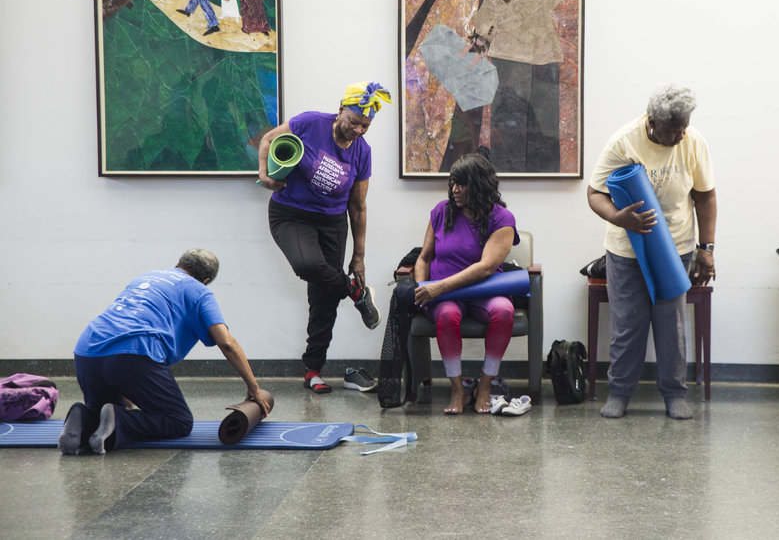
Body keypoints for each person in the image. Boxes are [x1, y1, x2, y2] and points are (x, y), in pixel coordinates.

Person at [59, 249, 271, 455]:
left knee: (101, 414)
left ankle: (84, 417)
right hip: (133, 353)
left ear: (179, 264)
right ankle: (118, 419)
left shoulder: (146, 277)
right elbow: (226, 342)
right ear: (205, 279)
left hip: (87, 351)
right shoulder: (200, 290)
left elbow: (120, 328)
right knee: (179, 421)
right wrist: (254, 387)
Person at [587, 84, 717, 420]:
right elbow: (594, 193)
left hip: (676, 248)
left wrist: (707, 249)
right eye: (673, 131)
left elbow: (705, 196)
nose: (680, 136)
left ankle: (674, 393)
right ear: (652, 122)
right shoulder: (624, 141)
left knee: (670, 325)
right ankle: (619, 393)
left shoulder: (693, 142)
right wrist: (618, 217)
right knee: (628, 324)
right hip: (625, 250)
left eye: (684, 128)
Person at [258, 81, 392, 395]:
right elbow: (267, 139)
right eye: (354, 121)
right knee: (307, 265)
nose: (358, 130)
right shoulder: (309, 123)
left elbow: (358, 207)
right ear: (341, 109)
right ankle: (357, 293)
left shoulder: (362, 153)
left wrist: (358, 256)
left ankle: (313, 370)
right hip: (290, 213)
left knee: (324, 299)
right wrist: (265, 175)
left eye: (366, 126)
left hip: (332, 223)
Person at [413, 151, 518, 414]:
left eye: (461, 184)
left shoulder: (502, 219)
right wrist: (421, 287)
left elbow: (485, 268)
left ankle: (485, 385)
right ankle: (457, 389)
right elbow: (423, 257)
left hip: (484, 290)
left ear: (480, 185)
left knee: (504, 311)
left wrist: (439, 286)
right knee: (447, 314)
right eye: (452, 183)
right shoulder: (441, 212)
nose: (454, 189)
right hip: (444, 297)